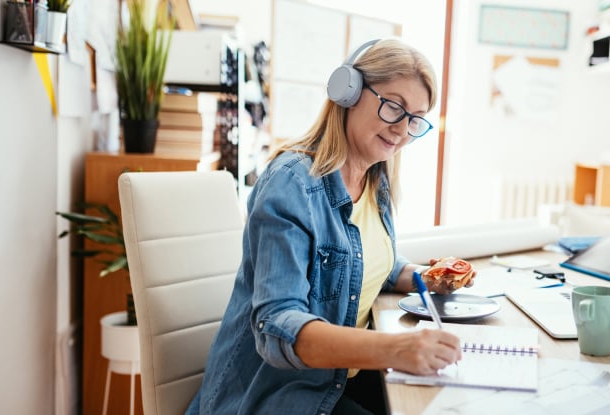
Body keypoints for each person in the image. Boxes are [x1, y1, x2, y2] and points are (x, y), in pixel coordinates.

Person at [185, 39, 472, 415]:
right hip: (275, 396)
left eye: (415, 118)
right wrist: (396, 349)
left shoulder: (375, 180)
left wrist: (428, 276)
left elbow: (364, 265)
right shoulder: (292, 184)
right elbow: (276, 326)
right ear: (347, 92)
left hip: (336, 379)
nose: (402, 130)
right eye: (393, 106)